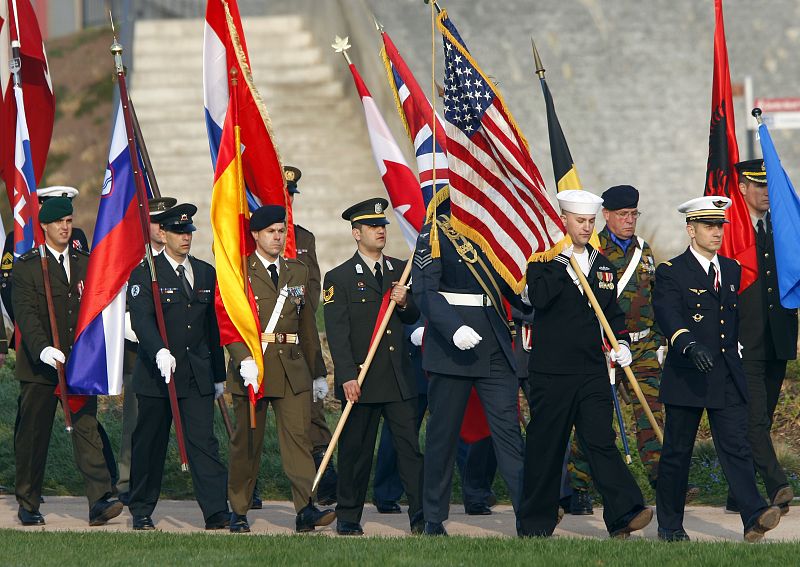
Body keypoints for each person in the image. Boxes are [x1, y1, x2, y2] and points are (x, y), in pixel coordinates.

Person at [518, 190, 650, 538]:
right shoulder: (542, 263)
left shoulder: (603, 265)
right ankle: (534, 523)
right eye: (580, 221)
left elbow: (612, 313)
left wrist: (620, 341)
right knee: (547, 445)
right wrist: (563, 265)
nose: (586, 227)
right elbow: (541, 300)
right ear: (563, 221)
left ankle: (625, 513)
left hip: (591, 371)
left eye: (591, 221)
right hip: (551, 372)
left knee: (600, 441)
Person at [653, 195, 782, 542]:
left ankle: (754, 516)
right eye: (708, 226)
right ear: (690, 230)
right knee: (678, 452)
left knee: (736, 447)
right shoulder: (671, 272)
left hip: (725, 372)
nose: (716, 232)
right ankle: (669, 525)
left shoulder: (731, 269)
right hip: (688, 374)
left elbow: (731, 321)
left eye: (719, 226)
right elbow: (668, 314)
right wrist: (687, 344)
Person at [412, 209, 529, 536]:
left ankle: (528, 515)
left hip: (492, 342)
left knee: (508, 434)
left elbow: (506, 284)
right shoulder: (436, 229)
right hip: (453, 347)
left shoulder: (491, 219)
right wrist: (453, 328)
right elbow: (424, 291)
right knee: (442, 437)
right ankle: (433, 518)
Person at [12, 197, 122, 526]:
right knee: (34, 435)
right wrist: (43, 348)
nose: (64, 226)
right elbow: (26, 314)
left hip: (77, 365)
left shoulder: (86, 262)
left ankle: (99, 499)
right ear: (43, 226)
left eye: (69, 220)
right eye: (58, 221)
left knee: (86, 429)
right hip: (40, 367)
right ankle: (28, 502)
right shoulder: (29, 266)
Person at [225, 204, 334, 534]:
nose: (277, 236)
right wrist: (242, 358)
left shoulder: (297, 271)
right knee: (248, 443)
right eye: (270, 231)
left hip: (292, 368)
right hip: (254, 366)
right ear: (255, 235)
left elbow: (306, 326)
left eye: (281, 231)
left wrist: (317, 371)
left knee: (299, 440)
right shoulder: (240, 272)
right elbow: (228, 321)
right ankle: (239, 510)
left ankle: (305, 509)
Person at [323, 198, 424, 536]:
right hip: (361, 380)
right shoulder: (339, 277)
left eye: (383, 225)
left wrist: (405, 301)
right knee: (356, 453)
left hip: (397, 379)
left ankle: (422, 518)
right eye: (372, 226)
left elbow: (412, 316)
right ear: (356, 233)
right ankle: (349, 518)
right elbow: (338, 334)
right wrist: (347, 377)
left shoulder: (400, 270)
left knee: (409, 451)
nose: (381, 230)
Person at [127, 203, 229, 531]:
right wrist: (158, 350)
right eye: (178, 233)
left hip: (195, 374)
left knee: (204, 443)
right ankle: (141, 509)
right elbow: (141, 319)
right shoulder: (146, 273)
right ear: (163, 234)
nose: (186, 238)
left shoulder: (204, 272)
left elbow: (211, 328)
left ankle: (215, 511)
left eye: (188, 232)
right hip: (158, 376)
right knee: (150, 444)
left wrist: (218, 376)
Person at [564, 185, 667, 513]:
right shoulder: (593, 250)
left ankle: (661, 481)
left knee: (653, 414)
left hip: (642, 348)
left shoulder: (644, 250)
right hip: (603, 349)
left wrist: (661, 341)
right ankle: (578, 485)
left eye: (634, 214)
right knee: (596, 420)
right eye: (623, 214)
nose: (629, 220)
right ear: (605, 215)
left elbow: (654, 297)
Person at [725, 159, 797, 515]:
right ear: (742, 188)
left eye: (770, 187)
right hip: (746, 340)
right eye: (758, 186)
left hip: (777, 338)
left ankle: (737, 491)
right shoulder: (733, 231)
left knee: (763, 417)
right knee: (753, 418)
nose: (767, 193)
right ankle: (777, 484)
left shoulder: (783, 227)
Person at [117, 196, 177, 505]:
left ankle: (158, 478)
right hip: (139, 353)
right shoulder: (132, 261)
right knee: (136, 421)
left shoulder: (178, 258)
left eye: (166, 223)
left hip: (177, 354)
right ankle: (128, 480)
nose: (162, 229)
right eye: (156, 222)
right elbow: (122, 309)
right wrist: (148, 337)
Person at [286, 165, 337, 507]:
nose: (288, 202)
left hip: (301, 341)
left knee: (312, 414)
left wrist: (291, 298)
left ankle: (326, 483)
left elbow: (312, 291)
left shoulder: (303, 239)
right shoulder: (247, 236)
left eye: (290, 196)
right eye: (281, 196)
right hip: (263, 339)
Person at [371, 322, 428, 514]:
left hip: (450, 355)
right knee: (400, 435)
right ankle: (386, 493)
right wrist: (413, 328)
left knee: (453, 435)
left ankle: (475, 494)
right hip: (413, 359)